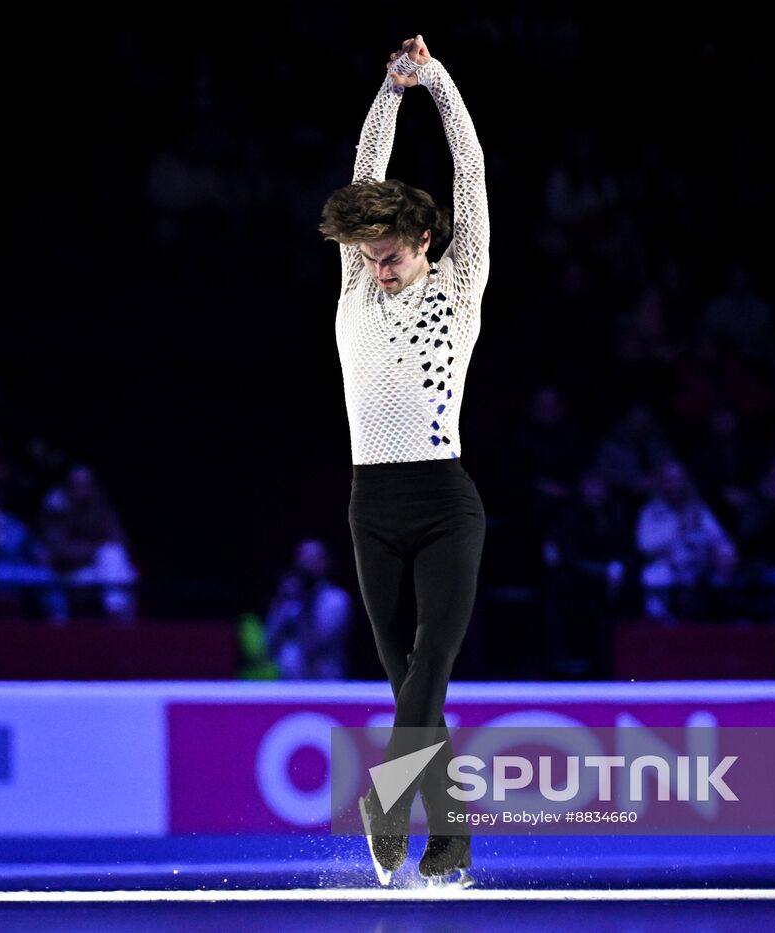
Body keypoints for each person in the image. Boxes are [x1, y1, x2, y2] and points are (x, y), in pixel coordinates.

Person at [318, 33, 488, 888]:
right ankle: (450, 840)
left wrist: (439, 82)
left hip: (446, 501)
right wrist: (390, 88)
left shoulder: (459, 286)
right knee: (406, 681)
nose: (376, 266)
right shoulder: (356, 281)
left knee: (431, 664)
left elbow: (470, 170)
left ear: (425, 238)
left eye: (390, 252)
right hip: (371, 507)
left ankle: (389, 805)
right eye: (367, 252)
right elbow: (364, 171)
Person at [264, 539, 353, 679]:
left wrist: (306, 601)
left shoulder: (336, 599)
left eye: (313, 558)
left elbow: (317, 642)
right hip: (290, 682)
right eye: (303, 558)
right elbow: (268, 647)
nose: (307, 565)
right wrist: (280, 602)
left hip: (325, 682)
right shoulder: (288, 600)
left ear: (326, 562)